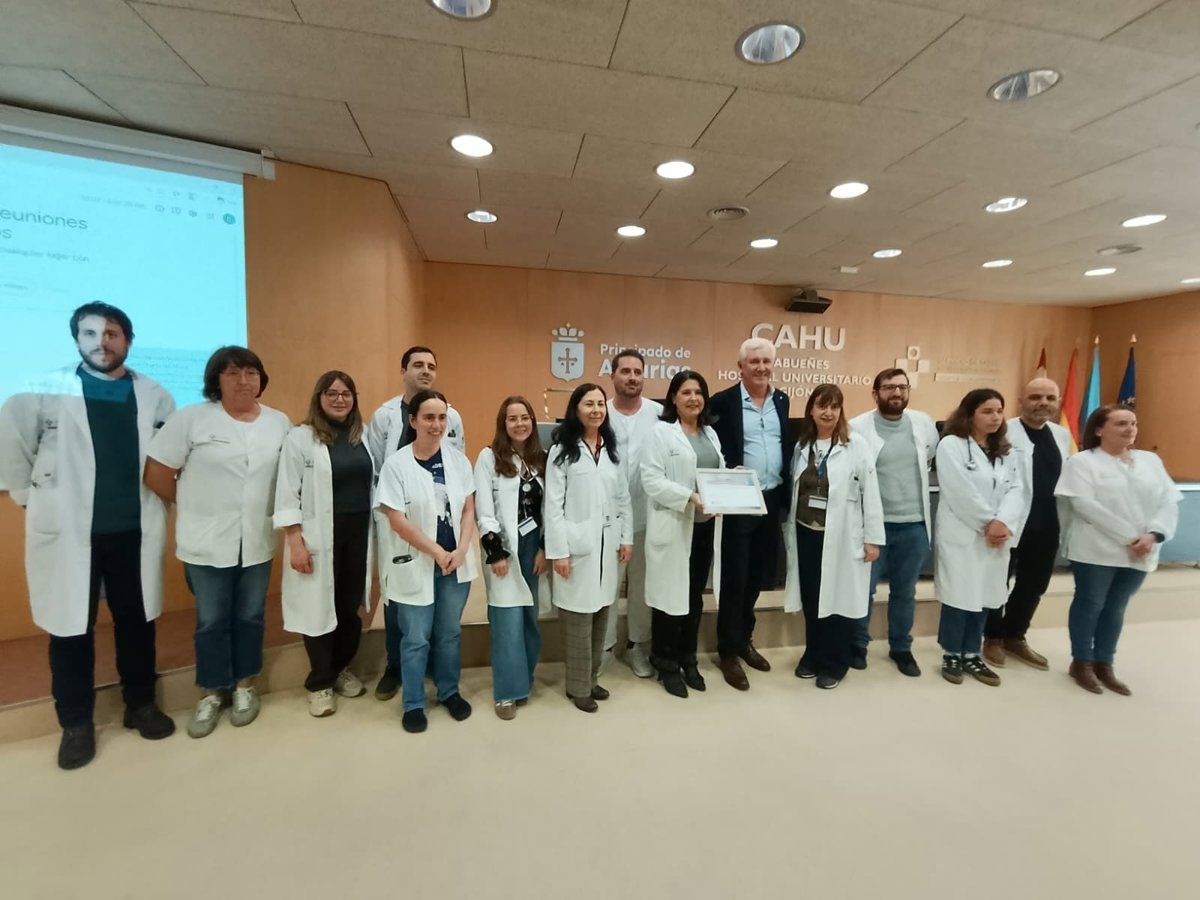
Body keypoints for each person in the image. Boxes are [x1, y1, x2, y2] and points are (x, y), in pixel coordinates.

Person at [0, 303, 176, 769]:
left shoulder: (154, 395)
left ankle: (140, 705)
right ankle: (76, 724)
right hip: (69, 534)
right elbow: (13, 450)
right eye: (91, 333)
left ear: (128, 341)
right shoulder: (40, 391)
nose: (102, 341)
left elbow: (165, 457)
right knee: (69, 629)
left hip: (132, 530)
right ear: (77, 339)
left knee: (137, 624)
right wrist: (35, 501)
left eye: (112, 333)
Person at [145, 346, 290, 737]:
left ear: (261, 379)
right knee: (211, 620)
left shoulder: (278, 422)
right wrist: (194, 505)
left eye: (251, 373)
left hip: (256, 539)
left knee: (250, 615)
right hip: (205, 541)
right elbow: (157, 474)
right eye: (232, 373)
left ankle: (244, 686)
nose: (243, 381)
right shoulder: (191, 419)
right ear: (216, 380)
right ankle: (211, 692)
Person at [1055, 405, 1181, 695]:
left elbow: (1168, 500)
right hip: (1096, 549)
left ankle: (1105, 662)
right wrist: (1130, 537)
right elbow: (1084, 505)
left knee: (1116, 606)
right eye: (1121, 423)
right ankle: (1081, 661)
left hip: (1143, 548)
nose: (1130, 429)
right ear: (1100, 430)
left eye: (1133, 423)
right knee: (1091, 603)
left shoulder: (1150, 460)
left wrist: (1154, 534)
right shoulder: (1082, 462)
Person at [365, 346, 465, 702]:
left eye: (431, 366)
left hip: (440, 523)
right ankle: (395, 667)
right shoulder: (384, 416)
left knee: (441, 607)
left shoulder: (452, 416)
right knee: (398, 599)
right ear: (404, 371)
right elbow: (376, 466)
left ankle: (438, 669)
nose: (425, 371)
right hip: (397, 519)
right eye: (418, 365)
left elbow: (458, 468)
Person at [375, 389, 478, 733]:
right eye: (429, 417)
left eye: (442, 417)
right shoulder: (396, 465)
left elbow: (468, 509)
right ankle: (414, 703)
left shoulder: (458, 462)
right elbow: (396, 519)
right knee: (416, 638)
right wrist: (436, 552)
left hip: (453, 564)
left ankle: (449, 692)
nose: (436, 424)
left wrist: (461, 550)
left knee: (448, 634)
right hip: (417, 562)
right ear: (413, 420)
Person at [273, 371, 375, 717]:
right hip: (318, 536)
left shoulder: (363, 436)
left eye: (346, 393)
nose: (339, 399)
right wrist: (295, 542)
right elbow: (287, 493)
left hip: (358, 533)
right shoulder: (300, 438)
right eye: (331, 393)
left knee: (348, 607)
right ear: (319, 398)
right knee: (318, 609)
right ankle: (319, 683)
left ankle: (341, 668)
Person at [783, 385, 884, 689]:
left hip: (841, 537)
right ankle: (813, 654)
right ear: (811, 410)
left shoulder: (856, 445)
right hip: (807, 534)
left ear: (841, 411)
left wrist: (872, 538)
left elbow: (871, 493)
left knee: (838, 600)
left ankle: (835, 662)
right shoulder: (803, 445)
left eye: (834, 407)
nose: (828, 413)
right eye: (822, 406)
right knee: (813, 598)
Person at [708, 337, 792, 690]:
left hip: (771, 501)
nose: (761, 367)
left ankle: (745, 639)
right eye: (754, 362)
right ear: (740, 367)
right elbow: (712, 447)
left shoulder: (781, 400)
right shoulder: (723, 402)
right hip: (739, 501)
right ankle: (728, 650)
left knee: (758, 576)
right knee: (735, 577)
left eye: (766, 361)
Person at [544, 383, 633, 713]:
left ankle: (591, 679)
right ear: (575, 409)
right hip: (576, 548)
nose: (596, 410)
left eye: (600, 404)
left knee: (601, 616)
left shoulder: (611, 450)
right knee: (578, 622)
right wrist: (559, 552)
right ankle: (578, 687)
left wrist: (626, 538)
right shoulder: (562, 451)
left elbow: (623, 498)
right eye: (588, 404)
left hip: (607, 548)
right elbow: (553, 507)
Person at [849, 368, 939, 677]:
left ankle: (901, 647)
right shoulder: (857, 426)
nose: (896, 392)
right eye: (889, 387)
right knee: (864, 590)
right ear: (876, 394)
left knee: (905, 592)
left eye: (902, 387)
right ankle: (857, 645)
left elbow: (929, 456)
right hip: (874, 526)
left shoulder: (923, 423)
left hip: (914, 524)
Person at [933, 389, 1026, 687]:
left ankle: (972, 653)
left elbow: (1017, 490)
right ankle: (951, 653)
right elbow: (959, 492)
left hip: (995, 537)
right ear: (969, 414)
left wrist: (1003, 522)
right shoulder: (952, 445)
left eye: (999, 411)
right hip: (963, 533)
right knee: (959, 596)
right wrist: (989, 522)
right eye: (987, 411)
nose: (995, 417)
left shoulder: (1007, 451)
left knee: (985, 596)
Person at [640, 371, 722, 698]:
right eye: (686, 392)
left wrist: (731, 484)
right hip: (673, 526)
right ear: (673, 398)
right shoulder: (660, 434)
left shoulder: (710, 434)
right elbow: (651, 480)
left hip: (703, 529)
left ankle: (689, 658)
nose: (693, 398)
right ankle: (665, 662)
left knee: (693, 598)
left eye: (698, 392)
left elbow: (714, 474)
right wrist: (689, 496)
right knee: (668, 601)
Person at [983, 378, 1072, 671]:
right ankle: (992, 637)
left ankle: (1015, 634)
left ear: (1058, 402)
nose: (1042, 403)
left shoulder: (1060, 435)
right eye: (1035, 397)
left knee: (1034, 585)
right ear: (1021, 401)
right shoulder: (1003, 431)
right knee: (998, 582)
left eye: (1050, 397)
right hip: (1010, 523)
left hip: (1047, 523)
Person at [474, 396, 548, 720]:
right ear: (503, 424)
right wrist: (495, 552)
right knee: (506, 621)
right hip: (503, 547)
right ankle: (506, 692)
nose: (520, 423)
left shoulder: (541, 458)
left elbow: (549, 508)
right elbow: (484, 509)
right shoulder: (488, 457)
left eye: (525, 417)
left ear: (532, 421)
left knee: (529, 618)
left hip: (533, 547)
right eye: (512, 418)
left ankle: (524, 682)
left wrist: (544, 548)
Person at [603, 349, 663, 678]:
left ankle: (638, 645)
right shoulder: (600, 412)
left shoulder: (659, 414)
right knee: (607, 586)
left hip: (646, 517)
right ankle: (604, 647)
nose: (632, 377)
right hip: (607, 520)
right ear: (612, 375)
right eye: (625, 371)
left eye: (638, 372)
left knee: (642, 588)